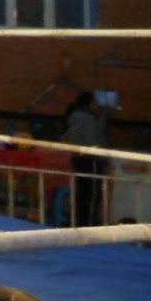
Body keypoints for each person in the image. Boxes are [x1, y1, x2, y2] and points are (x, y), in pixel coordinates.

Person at [63, 89, 110, 226]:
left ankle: (82, 221)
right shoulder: (87, 120)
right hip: (91, 160)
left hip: (80, 158)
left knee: (83, 193)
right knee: (91, 194)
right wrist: (102, 157)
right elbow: (92, 141)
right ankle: (87, 223)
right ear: (90, 103)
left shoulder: (75, 117)